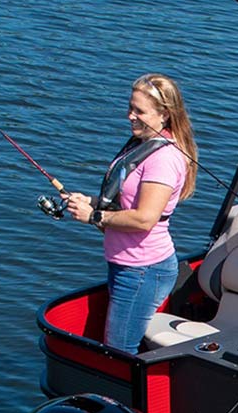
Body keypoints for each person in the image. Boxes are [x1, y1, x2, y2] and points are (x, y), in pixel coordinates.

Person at [65, 74, 197, 354]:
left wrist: (93, 216)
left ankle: (127, 399)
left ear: (164, 114)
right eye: (130, 108)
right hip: (125, 264)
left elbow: (143, 218)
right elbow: (124, 204)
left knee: (120, 350)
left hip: (143, 269)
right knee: (117, 346)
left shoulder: (163, 159)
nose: (130, 116)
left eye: (139, 111)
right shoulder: (141, 145)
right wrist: (88, 202)